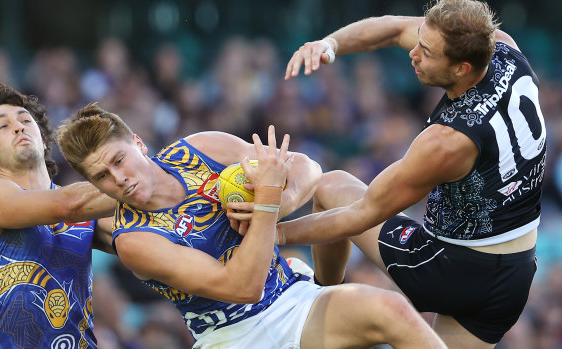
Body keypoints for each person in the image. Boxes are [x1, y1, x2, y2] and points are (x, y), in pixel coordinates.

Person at [259, 0, 544, 348]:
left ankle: (319, 306)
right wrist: (329, 44)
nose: (413, 54)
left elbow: (359, 214)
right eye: (419, 41)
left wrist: (271, 233)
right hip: (514, 277)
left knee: (331, 186)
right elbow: (393, 28)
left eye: (426, 51)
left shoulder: (447, 142)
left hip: (451, 271)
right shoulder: (503, 48)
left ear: (461, 68)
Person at [56, 103, 447, 349]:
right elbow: (243, 288)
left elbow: (308, 168)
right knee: (384, 308)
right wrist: (267, 204)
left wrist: (283, 202)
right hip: (236, 334)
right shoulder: (135, 241)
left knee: (388, 303)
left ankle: (426, 273)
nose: (118, 178)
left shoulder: (200, 148)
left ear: (139, 144)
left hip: (289, 297)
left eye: (119, 160)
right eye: (102, 176)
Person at [0, 84, 116, 349]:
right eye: (3, 126)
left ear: (43, 140)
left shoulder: (84, 207)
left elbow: (138, 237)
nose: (19, 127)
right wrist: (142, 176)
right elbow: (67, 205)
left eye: (24, 120)